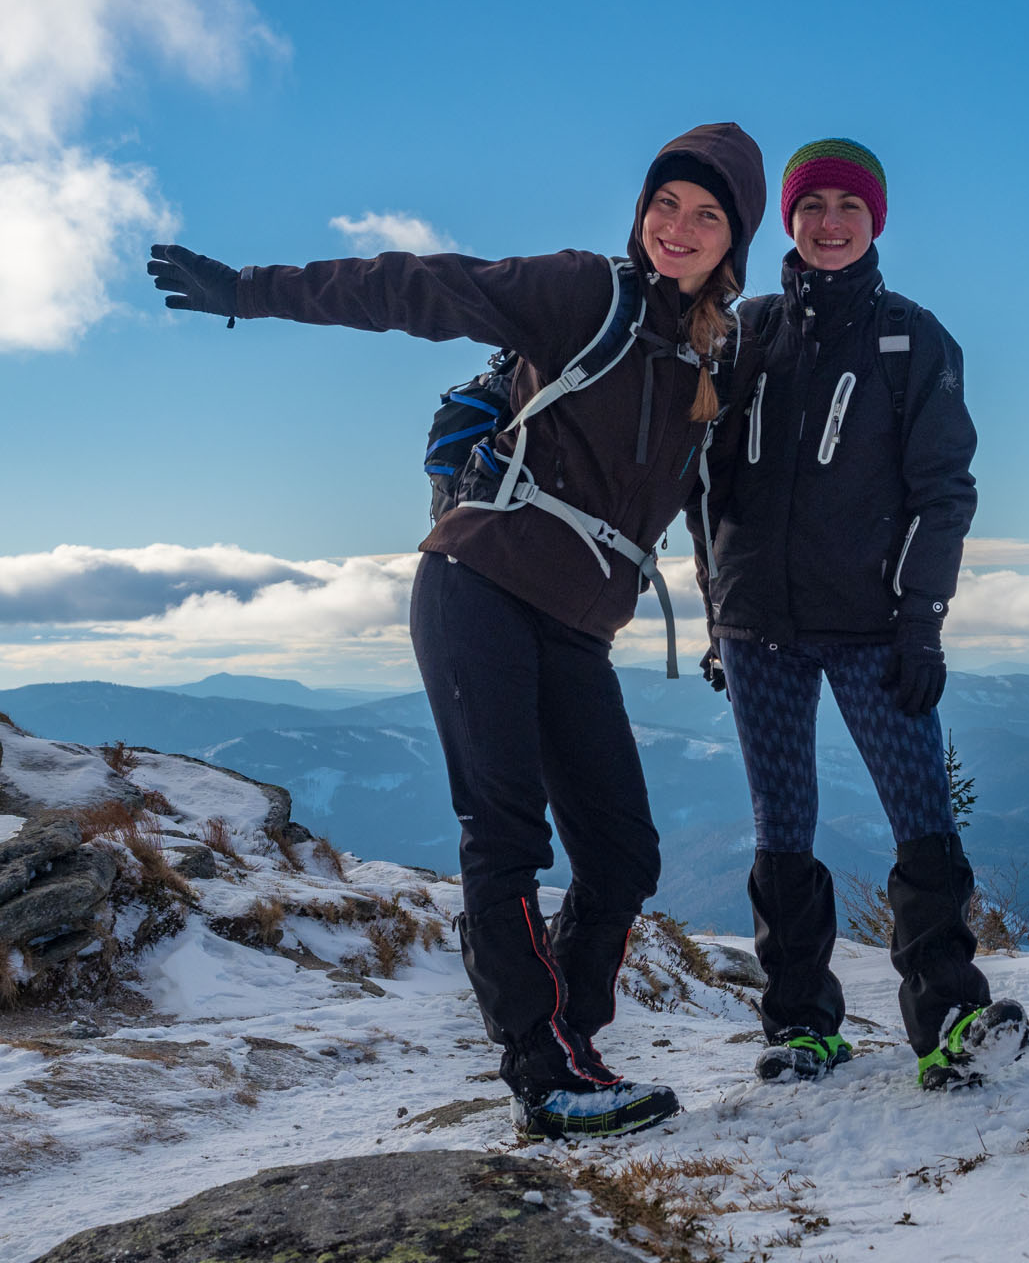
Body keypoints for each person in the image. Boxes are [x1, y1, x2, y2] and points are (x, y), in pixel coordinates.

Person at [149, 123, 767, 1137]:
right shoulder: (583, 292)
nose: (678, 227)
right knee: (508, 831)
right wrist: (250, 290)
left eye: (706, 215)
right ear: (643, 210)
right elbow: (414, 285)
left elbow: (704, 503)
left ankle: (571, 1039)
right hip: (476, 581)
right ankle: (544, 1064)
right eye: (666, 203)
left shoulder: (711, 360)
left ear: (731, 241)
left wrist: (723, 622)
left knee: (623, 856)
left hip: (576, 627)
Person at [691, 138, 1029, 1090]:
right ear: (788, 221)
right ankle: (802, 1027)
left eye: (848, 205)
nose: (828, 221)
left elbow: (943, 491)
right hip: (758, 630)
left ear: (875, 220)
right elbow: (698, 481)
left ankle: (951, 1019)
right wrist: (719, 607)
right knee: (780, 827)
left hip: (875, 631)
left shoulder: (915, 340)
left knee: (922, 820)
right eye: (811, 206)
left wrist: (921, 619)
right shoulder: (740, 333)